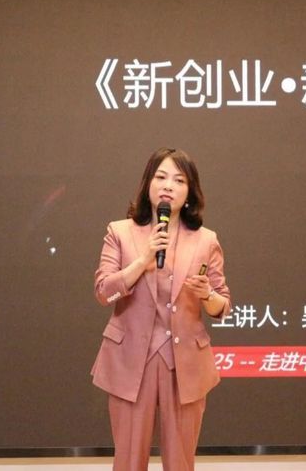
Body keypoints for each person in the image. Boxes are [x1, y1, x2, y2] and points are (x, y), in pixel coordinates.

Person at [91, 147, 231, 471]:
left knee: (181, 462)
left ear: (190, 192)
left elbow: (222, 305)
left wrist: (207, 294)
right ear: (148, 184)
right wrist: (142, 261)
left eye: (179, 180)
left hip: (184, 365)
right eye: (161, 177)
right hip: (130, 360)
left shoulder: (206, 240)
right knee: (128, 461)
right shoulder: (119, 232)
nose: (168, 185)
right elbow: (103, 291)